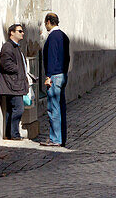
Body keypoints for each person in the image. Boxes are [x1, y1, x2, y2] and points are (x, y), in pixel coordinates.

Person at [41, 12, 70, 146]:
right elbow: (67, 58)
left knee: (53, 109)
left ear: (48, 21)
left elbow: (51, 57)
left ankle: (55, 139)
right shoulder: (64, 36)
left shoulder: (53, 37)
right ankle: (61, 138)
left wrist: (48, 76)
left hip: (54, 76)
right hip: (62, 75)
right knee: (60, 107)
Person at [0, 23, 29, 140]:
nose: (22, 33)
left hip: (16, 84)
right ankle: (14, 134)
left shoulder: (15, 47)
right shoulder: (8, 46)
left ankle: (10, 134)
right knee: (18, 109)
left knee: (12, 110)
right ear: (12, 32)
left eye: (22, 31)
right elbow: (5, 64)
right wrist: (18, 70)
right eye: (20, 31)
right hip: (13, 84)